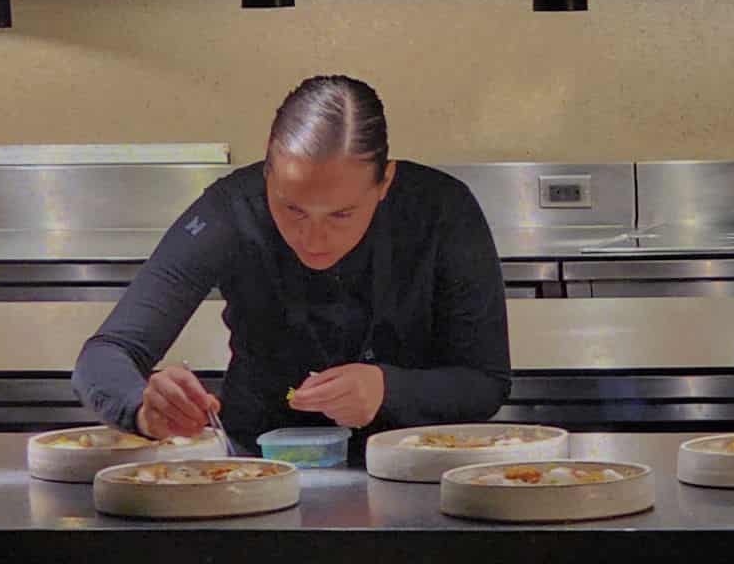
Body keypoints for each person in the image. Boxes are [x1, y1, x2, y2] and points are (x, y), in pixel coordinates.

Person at [73, 75, 511, 461]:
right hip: (258, 465)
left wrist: (389, 390)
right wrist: (141, 408)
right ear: (266, 175)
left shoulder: (443, 210)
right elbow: (104, 353)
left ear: (385, 184)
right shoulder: (230, 210)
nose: (313, 239)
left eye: (341, 215)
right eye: (291, 209)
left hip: (414, 466)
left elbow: (485, 382)